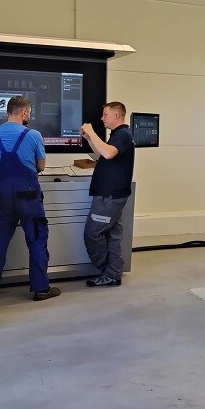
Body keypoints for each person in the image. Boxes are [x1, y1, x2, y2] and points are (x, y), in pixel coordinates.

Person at [0, 96, 61, 302]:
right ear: (24, 112)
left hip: (2, 192)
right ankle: (41, 289)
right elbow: (41, 166)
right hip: (28, 194)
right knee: (37, 240)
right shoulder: (33, 134)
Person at [80, 102, 135, 287]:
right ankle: (113, 274)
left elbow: (109, 153)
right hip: (111, 196)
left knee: (93, 233)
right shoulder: (117, 135)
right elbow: (102, 154)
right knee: (112, 235)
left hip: (109, 197)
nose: (102, 118)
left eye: (105, 114)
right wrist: (89, 138)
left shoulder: (123, 134)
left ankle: (108, 269)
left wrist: (92, 131)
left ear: (116, 115)